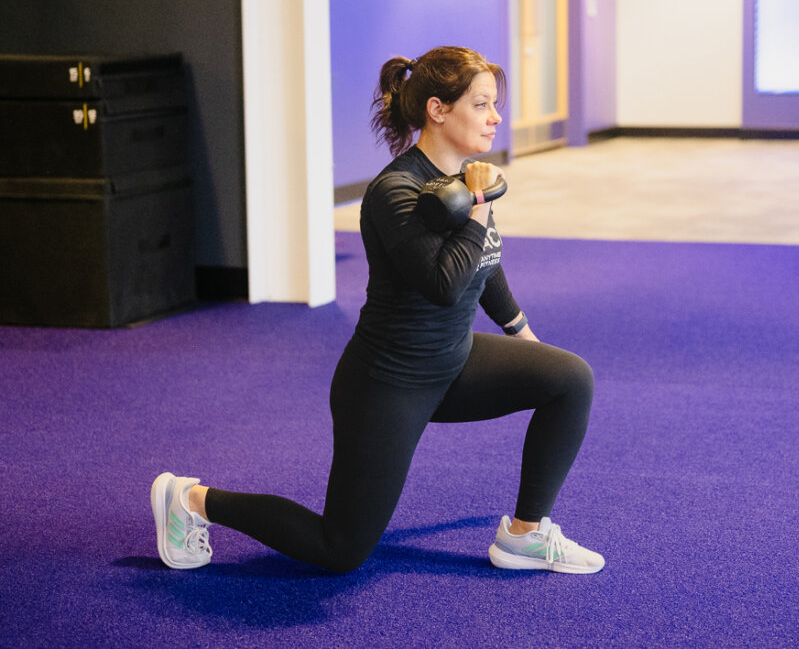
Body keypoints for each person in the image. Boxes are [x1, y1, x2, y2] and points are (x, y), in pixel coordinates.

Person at [151, 46, 603, 575]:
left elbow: (485, 264)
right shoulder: (396, 192)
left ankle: (525, 536)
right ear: (438, 109)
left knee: (570, 378)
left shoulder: (462, 180)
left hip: (452, 361)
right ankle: (189, 499)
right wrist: (479, 210)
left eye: (493, 105)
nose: (495, 117)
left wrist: (522, 333)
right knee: (339, 549)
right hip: (390, 382)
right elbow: (444, 285)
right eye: (481, 105)